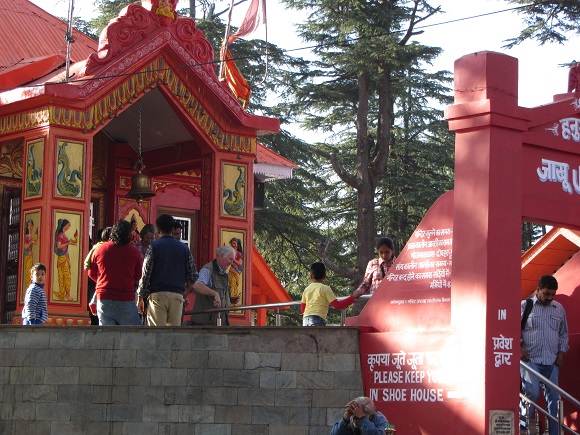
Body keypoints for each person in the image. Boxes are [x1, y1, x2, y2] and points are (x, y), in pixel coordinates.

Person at [520, 275, 569, 435]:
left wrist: (561, 353)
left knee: (554, 398)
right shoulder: (525, 306)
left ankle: (554, 433)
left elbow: (563, 334)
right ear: (538, 290)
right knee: (532, 393)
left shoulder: (559, 309)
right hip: (530, 360)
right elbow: (512, 330)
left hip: (552, 360)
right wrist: (519, 349)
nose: (549, 297)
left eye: (552, 294)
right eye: (546, 293)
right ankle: (522, 428)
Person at [137, 214, 201, 326]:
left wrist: (141, 296)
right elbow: (193, 275)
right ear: (172, 229)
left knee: (157, 334)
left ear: (157, 229)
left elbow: (146, 274)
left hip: (157, 294)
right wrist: (185, 292)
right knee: (173, 335)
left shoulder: (154, 247)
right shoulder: (184, 248)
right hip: (177, 294)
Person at [88, 220, 143, 326]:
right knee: (132, 335)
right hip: (125, 298)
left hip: (104, 297)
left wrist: (103, 281)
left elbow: (91, 272)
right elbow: (138, 275)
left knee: (106, 335)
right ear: (128, 234)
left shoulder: (100, 249)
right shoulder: (134, 251)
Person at [301, 262, 362, 326]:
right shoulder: (325, 288)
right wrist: (353, 297)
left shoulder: (307, 289)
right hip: (318, 319)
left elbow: (303, 309)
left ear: (310, 276)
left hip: (305, 320)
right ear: (324, 276)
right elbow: (338, 305)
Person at [188, 245, 232, 326]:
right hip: (204, 324)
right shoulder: (208, 270)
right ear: (221, 256)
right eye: (230, 259)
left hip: (220, 323)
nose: (231, 263)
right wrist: (214, 294)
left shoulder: (225, 274)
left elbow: (221, 294)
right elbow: (197, 285)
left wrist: (230, 299)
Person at [53, 218, 78, 302]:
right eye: (68, 225)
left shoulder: (63, 235)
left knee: (66, 276)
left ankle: (65, 293)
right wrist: (68, 243)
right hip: (62, 259)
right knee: (65, 277)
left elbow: (71, 243)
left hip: (65, 258)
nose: (69, 227)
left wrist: (74, 241)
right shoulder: (60, 235)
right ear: (65, 225)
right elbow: (59, 246)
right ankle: (66, 294)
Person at [22, 219, 38, 290]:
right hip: (27, 256)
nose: (30, 226)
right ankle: (28, 288)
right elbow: (25, 247)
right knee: (28, 272)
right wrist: (31, 242)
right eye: (29, 225)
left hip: (30, 256)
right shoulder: (26, 236)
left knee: (31, 271)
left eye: (31, 225)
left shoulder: (30, 236)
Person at [228, 237, 243, 305]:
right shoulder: (231, 252)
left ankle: (233, 298)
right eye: (232, 243)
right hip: (231, 270)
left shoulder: (238, 253)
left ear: (237, 244)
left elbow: (240, 263)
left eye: (234, 243)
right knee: (229, 283)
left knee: (234, 284)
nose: (233, 244)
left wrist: (233, 260)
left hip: (235, 271)